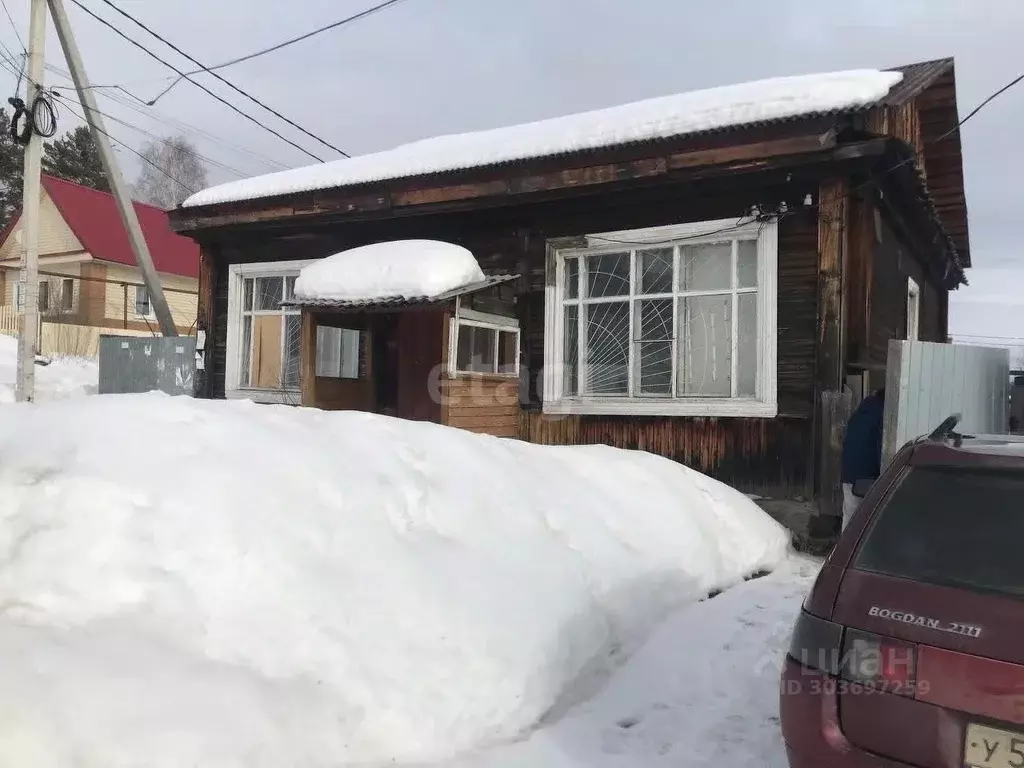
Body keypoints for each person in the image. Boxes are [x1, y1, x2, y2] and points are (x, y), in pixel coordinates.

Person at [841, 388, 885, 531]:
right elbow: (880, 449)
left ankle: (844, 551)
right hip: (868, 477)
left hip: (849, 474)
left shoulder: (859, 413)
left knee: (849, 518)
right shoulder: (881, 416)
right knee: (869, 523)